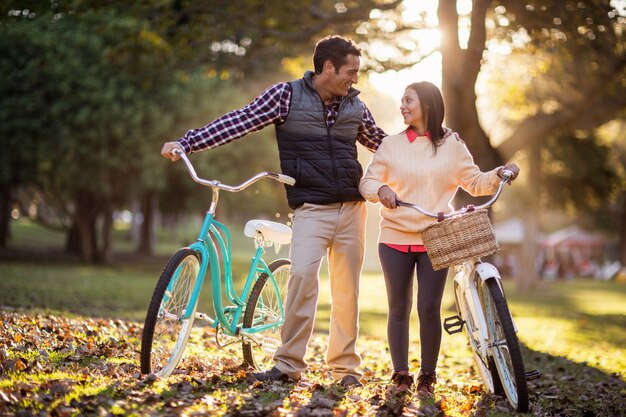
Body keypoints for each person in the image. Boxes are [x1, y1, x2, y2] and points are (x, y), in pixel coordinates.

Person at [161, 35, 386, 388]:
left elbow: (386, 148)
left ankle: (345, 370)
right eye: (351, 71)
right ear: (328, 67)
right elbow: (240, 121)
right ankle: (288, 365)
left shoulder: (355, 107)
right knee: (302, 280)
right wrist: (188, 142)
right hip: (311, 208)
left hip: (353, 210)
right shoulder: (286, 96)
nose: (354, 79)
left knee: (347, 291)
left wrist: (433, 147)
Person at [359, 81, 519, 396]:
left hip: (434, 238)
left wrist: (499, 173)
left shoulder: (452, 145)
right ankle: (401, 375)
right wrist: (381, 190)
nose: (402, 106)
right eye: (402, 100)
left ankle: (427, 378)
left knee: (429, 308)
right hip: (393, 237)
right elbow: (368, 181)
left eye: (409, 101)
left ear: (428, 106)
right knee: (398, 307)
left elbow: (474, 181)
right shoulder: (391, 144)